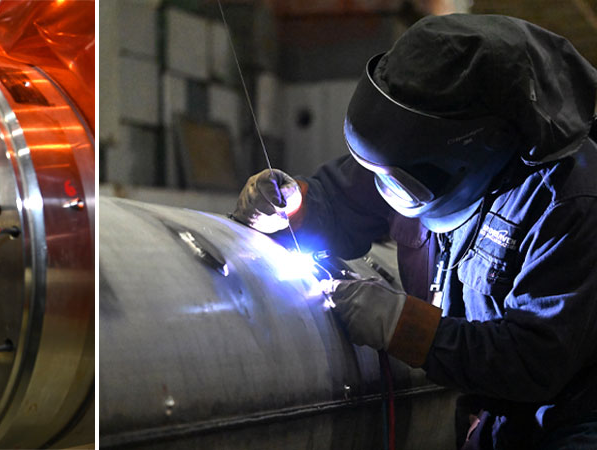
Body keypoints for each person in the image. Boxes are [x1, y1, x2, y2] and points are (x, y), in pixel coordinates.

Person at [233, 14, 597, 450]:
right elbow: (341, 200)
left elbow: (534, 359)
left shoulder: (568, 202)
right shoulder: (410, 150)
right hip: (492, 415)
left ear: (475, 151)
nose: (381, 186)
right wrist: (288, 206)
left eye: (392, 179)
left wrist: (400, 324)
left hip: (570, 423)